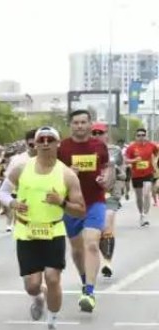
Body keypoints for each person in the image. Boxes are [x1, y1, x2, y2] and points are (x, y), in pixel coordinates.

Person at [0, 126, 85, 330]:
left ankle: (52, 323)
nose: (45, 143)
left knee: (53, 277)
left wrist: (61, 202)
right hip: (27, 231)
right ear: (35, 144)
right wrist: (13, 203)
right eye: (41, 140)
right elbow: (2, 192)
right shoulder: (21, 168)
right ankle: (38, 297)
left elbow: (80, 209)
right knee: (32, 285)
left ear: (58, 144)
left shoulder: (66, 174)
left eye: (50, 139)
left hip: (53, 229)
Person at [57, 109, 111, 313]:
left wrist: (106, 179)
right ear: (70, 125)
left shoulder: (99, 146)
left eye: (83, 122)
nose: (79, 126)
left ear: (90, 125)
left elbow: (106, 169)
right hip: (72, 204)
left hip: (95, 201)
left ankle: (89, 291)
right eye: (76, 123)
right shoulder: (62, 147)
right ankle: (83, 280)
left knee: (91, 244)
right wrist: (69, 174)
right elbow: (53, 175)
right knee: (77, 249)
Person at [100, 124, 124, 278]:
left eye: (100, 133)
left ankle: (107, 262)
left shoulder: (114, 150)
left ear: (106, 136)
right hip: (88, 195)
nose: (97, 135)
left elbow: (115, 164)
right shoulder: (81, 151)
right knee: (96, 231)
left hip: (110, 192)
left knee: (108, 221)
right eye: (93, 133)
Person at [123, 126, 156, 226]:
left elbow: (157, 153)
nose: (141, 137)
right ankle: (141, 214)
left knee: (146, 194)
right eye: (139, 135)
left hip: (148, 173)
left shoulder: (151, 145)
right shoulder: (131, 147)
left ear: (146, 136)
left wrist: (154, 162)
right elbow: (125, 159)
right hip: (136, 175)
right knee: (139, 197)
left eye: (143, 135)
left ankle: (145, 215)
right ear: (136, 136)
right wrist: (134, 160)